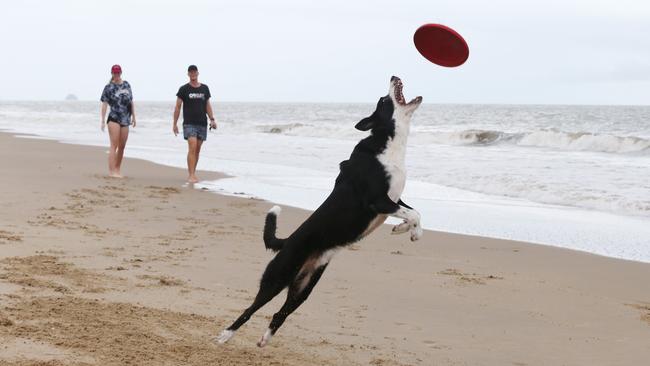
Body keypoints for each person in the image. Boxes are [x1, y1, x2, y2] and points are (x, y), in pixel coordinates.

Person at [173, 65, 217, 183]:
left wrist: (212, 119)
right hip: (189, 123)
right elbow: (178, 107)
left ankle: (193, 172)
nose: (193, 74)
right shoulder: (184, 89)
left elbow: (207, 105)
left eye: (194, 72)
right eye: (190, 72)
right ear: (188, 74)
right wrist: (174, 124)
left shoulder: (204, 88)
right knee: (192, 146)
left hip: (202, 123)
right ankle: (191, 175)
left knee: (197, 149)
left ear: (198, 73)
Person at [100, 64, 136, 178]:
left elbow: (131, 102)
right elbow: (104, 104)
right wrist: (102, 120)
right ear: (112, 73)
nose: (116, 75)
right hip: (114, 118)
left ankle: (117, 169)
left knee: (122, 146)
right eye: (114, 73)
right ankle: (112, 172)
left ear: (121, 72)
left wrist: (134, 117)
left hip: (125, 118)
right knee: (114, 145)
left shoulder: (126, 85)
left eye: (118, 72)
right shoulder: (108, 87)